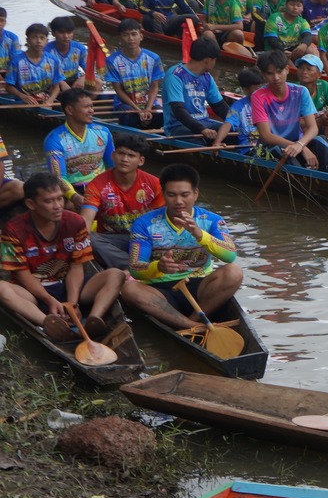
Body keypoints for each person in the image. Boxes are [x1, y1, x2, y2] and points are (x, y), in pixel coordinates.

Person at [0, 173, 128, 343]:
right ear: (31, 204)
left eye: (60, 199)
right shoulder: (13, 229)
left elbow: (76, 266)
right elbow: (22, 274)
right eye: (49, 201)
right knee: (2, 288)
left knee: (116, 274)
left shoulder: (75, 222)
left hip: (68, 285)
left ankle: (94, 318)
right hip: (32, 292)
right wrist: (48, 299)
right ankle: (48, 323)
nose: (58, 206)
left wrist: (72, 304)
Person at [118, 162, 244, 332]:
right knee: (130, 289)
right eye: (171, 195)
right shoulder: (145, 223)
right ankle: (192, 326)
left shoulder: (212, 220)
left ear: (195, 194)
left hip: (200, 287)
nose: (178, 201)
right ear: (163, 194)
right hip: (161, 290)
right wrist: (158, 267)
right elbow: (135, 269)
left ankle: (193, 320)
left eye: (185, 195)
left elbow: (230, 256)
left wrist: (200, 234)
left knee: (234, 272)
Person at [78, 134, 161, 271]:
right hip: (113, 239)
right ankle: (137, 268)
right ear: (113, 155)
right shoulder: (97, 184)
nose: (124, 159)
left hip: (146, 238)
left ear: (141, 161)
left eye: (131, 155)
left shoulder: (154, 184)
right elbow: (86, 220)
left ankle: (141, 265)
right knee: (89, 238)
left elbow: (165, 220)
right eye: (121, 153)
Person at [42, 87, 115, 194]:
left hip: (101, 187)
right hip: (73, 190)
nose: (92, 111)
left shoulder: (103, 132)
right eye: (86, 107)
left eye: (92, 106)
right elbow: (59, 178)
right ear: (70, 110)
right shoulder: (55, 140)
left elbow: (113, 166)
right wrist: (74, 197)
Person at [103, 20, 164, 128]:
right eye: (126, 35)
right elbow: (118, 90)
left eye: (134, 34)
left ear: (141, 36)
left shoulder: (153, 58)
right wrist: (137, 110)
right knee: (130, 118)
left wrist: (148, 108)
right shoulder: (112, 60)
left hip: (149, 103)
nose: (130, 39)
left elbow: (154, 87)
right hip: (125, 104)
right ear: (120, 38)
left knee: (162, 116)